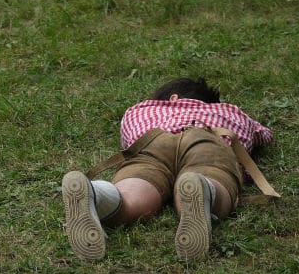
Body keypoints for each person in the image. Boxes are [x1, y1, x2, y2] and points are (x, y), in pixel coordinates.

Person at [62, 77, 274, 262]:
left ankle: (98, 195)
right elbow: (263, 135)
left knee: (135, 184)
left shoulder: (139, 111)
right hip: (206, 138)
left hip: (153, 142)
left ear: (172, 99)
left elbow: (128, 139)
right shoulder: (230, 112)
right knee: (211, 172)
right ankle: (205, 189)